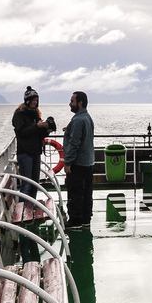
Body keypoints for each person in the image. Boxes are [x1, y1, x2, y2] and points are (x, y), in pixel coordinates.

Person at [63, 90, 95, 226]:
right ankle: (86, 220)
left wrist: (68, 163)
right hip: (88, 163)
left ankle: (75, 222)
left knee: (75, 193)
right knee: (87, 193)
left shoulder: (78, 120)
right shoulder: (87, 118)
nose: (70, 104)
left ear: (80, 102)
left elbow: (75, 143)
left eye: (72, 101)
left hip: (78, 164)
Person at [11, 86, 49, 198]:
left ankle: (31, 208)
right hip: (25, 153)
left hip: (36, 152)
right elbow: (21, 132)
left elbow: (38, 133)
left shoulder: (35, 114)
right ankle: (23, 209)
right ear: (27, 100)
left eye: (36, 100)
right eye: (33, 100)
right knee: (27, 184)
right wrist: (36, 126)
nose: (35, 102)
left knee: (35, 183)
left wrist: (46, 129)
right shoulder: (19, 114)